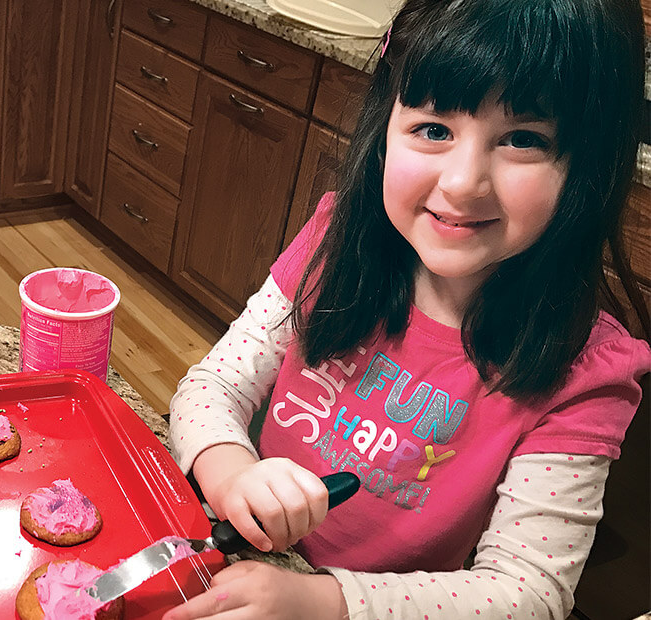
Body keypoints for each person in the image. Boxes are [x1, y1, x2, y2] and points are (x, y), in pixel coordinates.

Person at [163, 0, 651, 618]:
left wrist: (321, 602)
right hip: (240, 561)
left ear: (590, 165)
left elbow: (526, 594)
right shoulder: (334, 240)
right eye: (434, 129)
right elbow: (212, 386)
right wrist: (230, 471)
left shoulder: (588, 371)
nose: (462, 183)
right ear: (385, 126)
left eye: (523, 140)